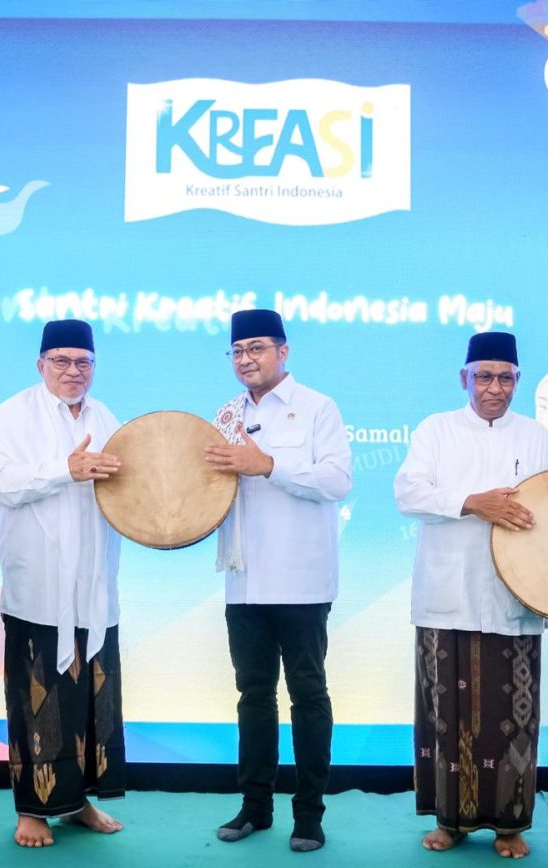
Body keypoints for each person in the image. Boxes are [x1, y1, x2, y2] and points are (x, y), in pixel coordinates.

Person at [394, 331, 548, 860]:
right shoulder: (435, 430)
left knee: (514, 712)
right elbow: (409, 493)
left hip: (514, 592)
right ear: (463, 379)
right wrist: (471, 502)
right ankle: (450, 821)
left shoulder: (534, 435)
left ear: (517, 381)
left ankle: (509, 825)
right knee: (448, 711)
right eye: (484, 376)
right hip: (448, 592)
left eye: (505, 378)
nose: (495, 388)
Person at [204, 309, 351, 853]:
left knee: (309, 695)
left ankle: (309, 814)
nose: (247, 359)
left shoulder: (318, 408)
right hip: (243, 582)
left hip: (303, 581)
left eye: (258, 348)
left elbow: (336, 479)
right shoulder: (225, 415)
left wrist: (266, 465)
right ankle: (254, 807)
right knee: (252, 696)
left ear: (283, 352)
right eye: (238, 350)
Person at [0, 319, 126, 848]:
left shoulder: (107, 417)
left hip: (94, 587)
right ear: (41, 364)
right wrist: (65, 468)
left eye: (83, 362)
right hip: (38, 587)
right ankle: (31, 810)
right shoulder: (11, 415)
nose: (72, 371)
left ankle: (77, 802)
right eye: (61, 361)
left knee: (88, 699)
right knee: (35, 698)